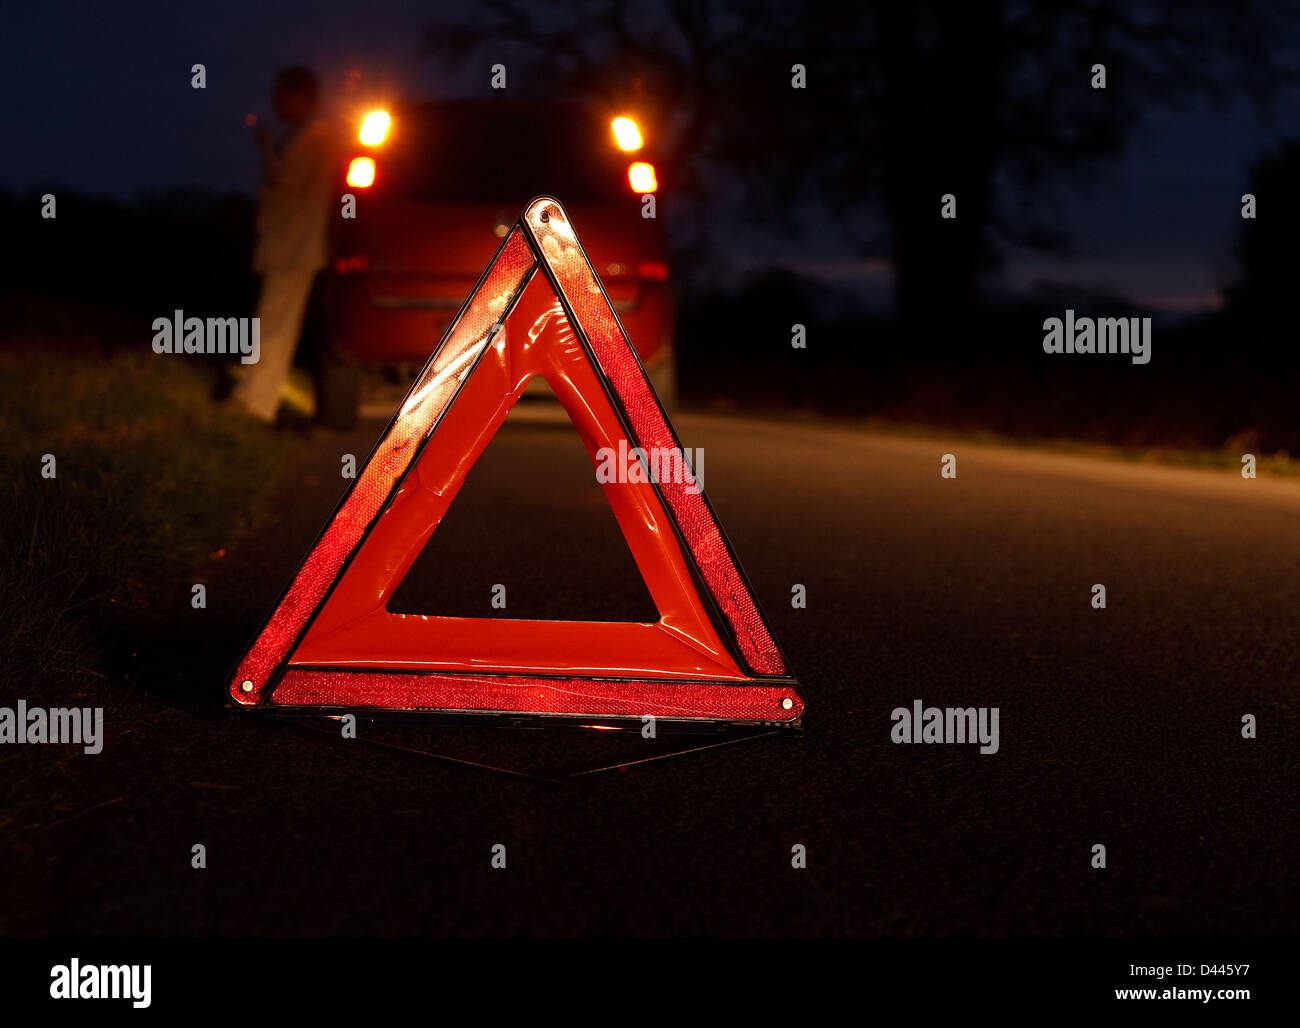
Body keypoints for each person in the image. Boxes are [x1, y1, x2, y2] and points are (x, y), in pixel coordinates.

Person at [230, 66, 336, 422]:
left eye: (281, 95)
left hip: (295, 248)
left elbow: (287, 179)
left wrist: (266, 148)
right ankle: (253, 396)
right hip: (289, 246)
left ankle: (257, 403)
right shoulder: (306, 136)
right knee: (270, 324)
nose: (276, 102)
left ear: (301, 97)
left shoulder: (315, 136)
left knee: (275, 327)